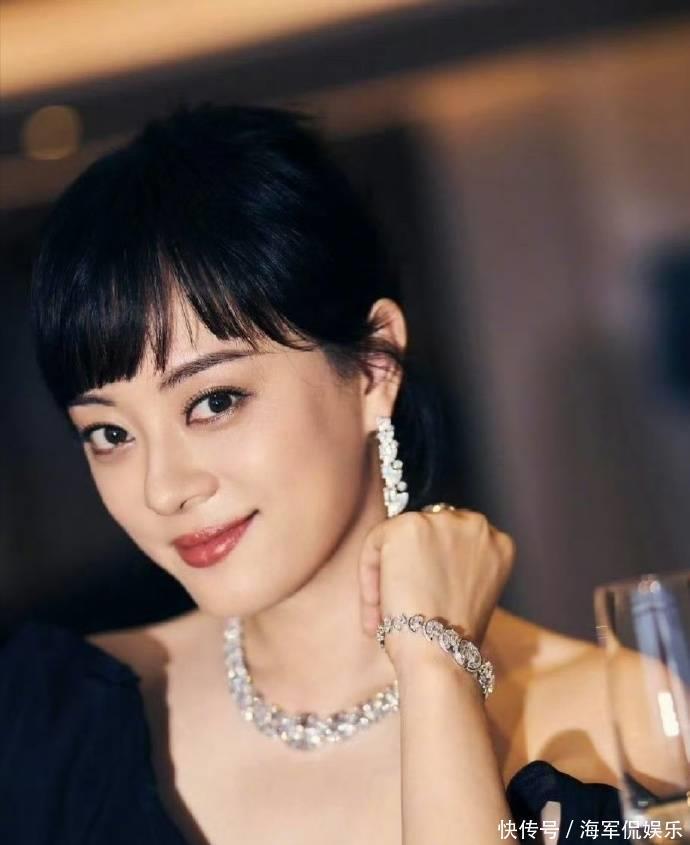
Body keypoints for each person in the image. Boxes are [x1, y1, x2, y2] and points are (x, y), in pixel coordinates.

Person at [1, 103, 631, 844]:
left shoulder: (624, 723)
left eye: (214, 401)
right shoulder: (47, 724)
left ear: (373, 365)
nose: (162, 489)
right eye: (110, 433)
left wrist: (434, 671)